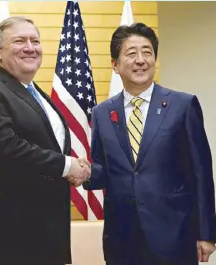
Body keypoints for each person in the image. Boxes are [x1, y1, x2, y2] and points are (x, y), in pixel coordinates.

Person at [0, 16, 90, 265]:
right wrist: (66, 165)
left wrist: (71, 169)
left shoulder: (37, 94)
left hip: (45, 239)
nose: (30, 47)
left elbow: (45, 149)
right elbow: (4, 148)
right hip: (3, 242)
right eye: (19, 41)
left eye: (35, 40)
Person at [83, 23, 216, 265]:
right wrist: (82, 171)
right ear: (115, 65)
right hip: (122, 238)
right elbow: (103, 171)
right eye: (131, 53)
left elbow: (202, 174)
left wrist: (207, 234)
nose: (141, 60)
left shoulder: (182, 105)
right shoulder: (102, 113)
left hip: (174, 235)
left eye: (147, 52)